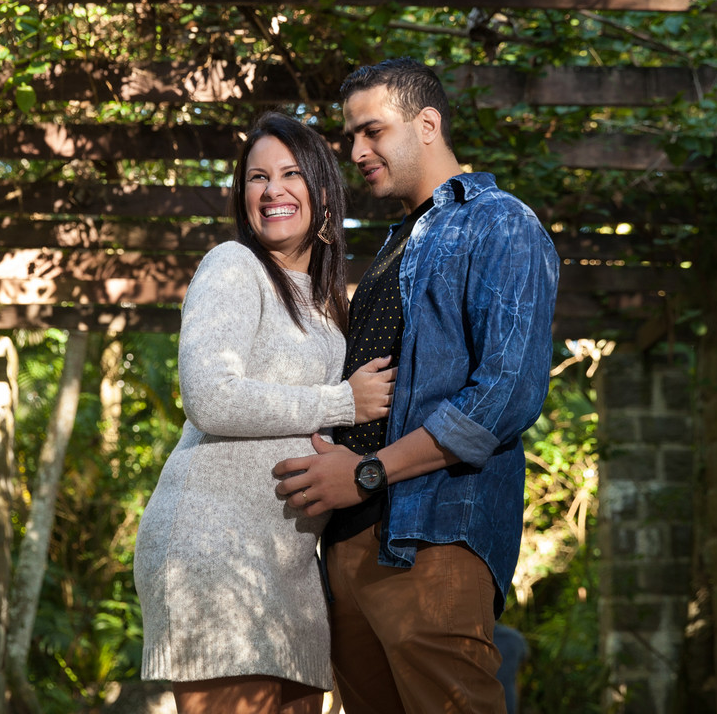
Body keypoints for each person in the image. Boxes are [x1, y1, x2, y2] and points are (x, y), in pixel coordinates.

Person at [273, 58, 560, 713]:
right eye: (351, 136)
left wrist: (369, 473)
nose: (356, 150)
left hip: (432, 543)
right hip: (347, 547)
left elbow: (503, 396)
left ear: (428, 124)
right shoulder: (398, 242)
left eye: (372, 131)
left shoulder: (498, 222)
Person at [133, 111, 397, 714]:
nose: (272, 189)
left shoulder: (332, 306)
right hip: (217, 548)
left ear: (324, 193)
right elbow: (210, 395)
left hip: (292, 564)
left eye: (290, 174)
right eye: (257, 177)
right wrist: (341, 400)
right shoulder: (234, 265)